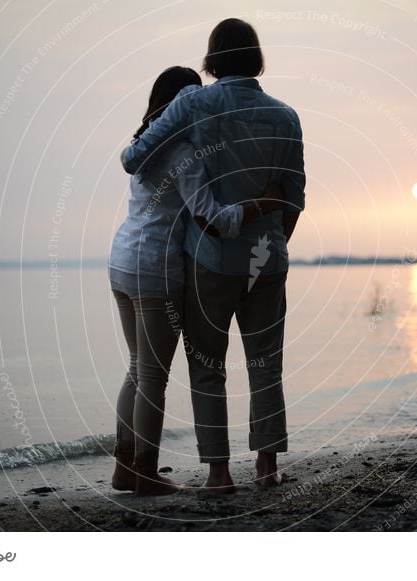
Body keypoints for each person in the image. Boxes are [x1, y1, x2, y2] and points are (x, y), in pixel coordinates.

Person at [123, 18, 306, 493]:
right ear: (256, 57)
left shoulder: (194, 102)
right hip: (267, 259)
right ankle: (266, 467)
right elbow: (294, 197)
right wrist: (272, 242)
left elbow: (134, 158)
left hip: (209, 258)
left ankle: (218, 473)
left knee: (207, 367)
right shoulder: (285, 116)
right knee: (267, 362)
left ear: (212, 59)